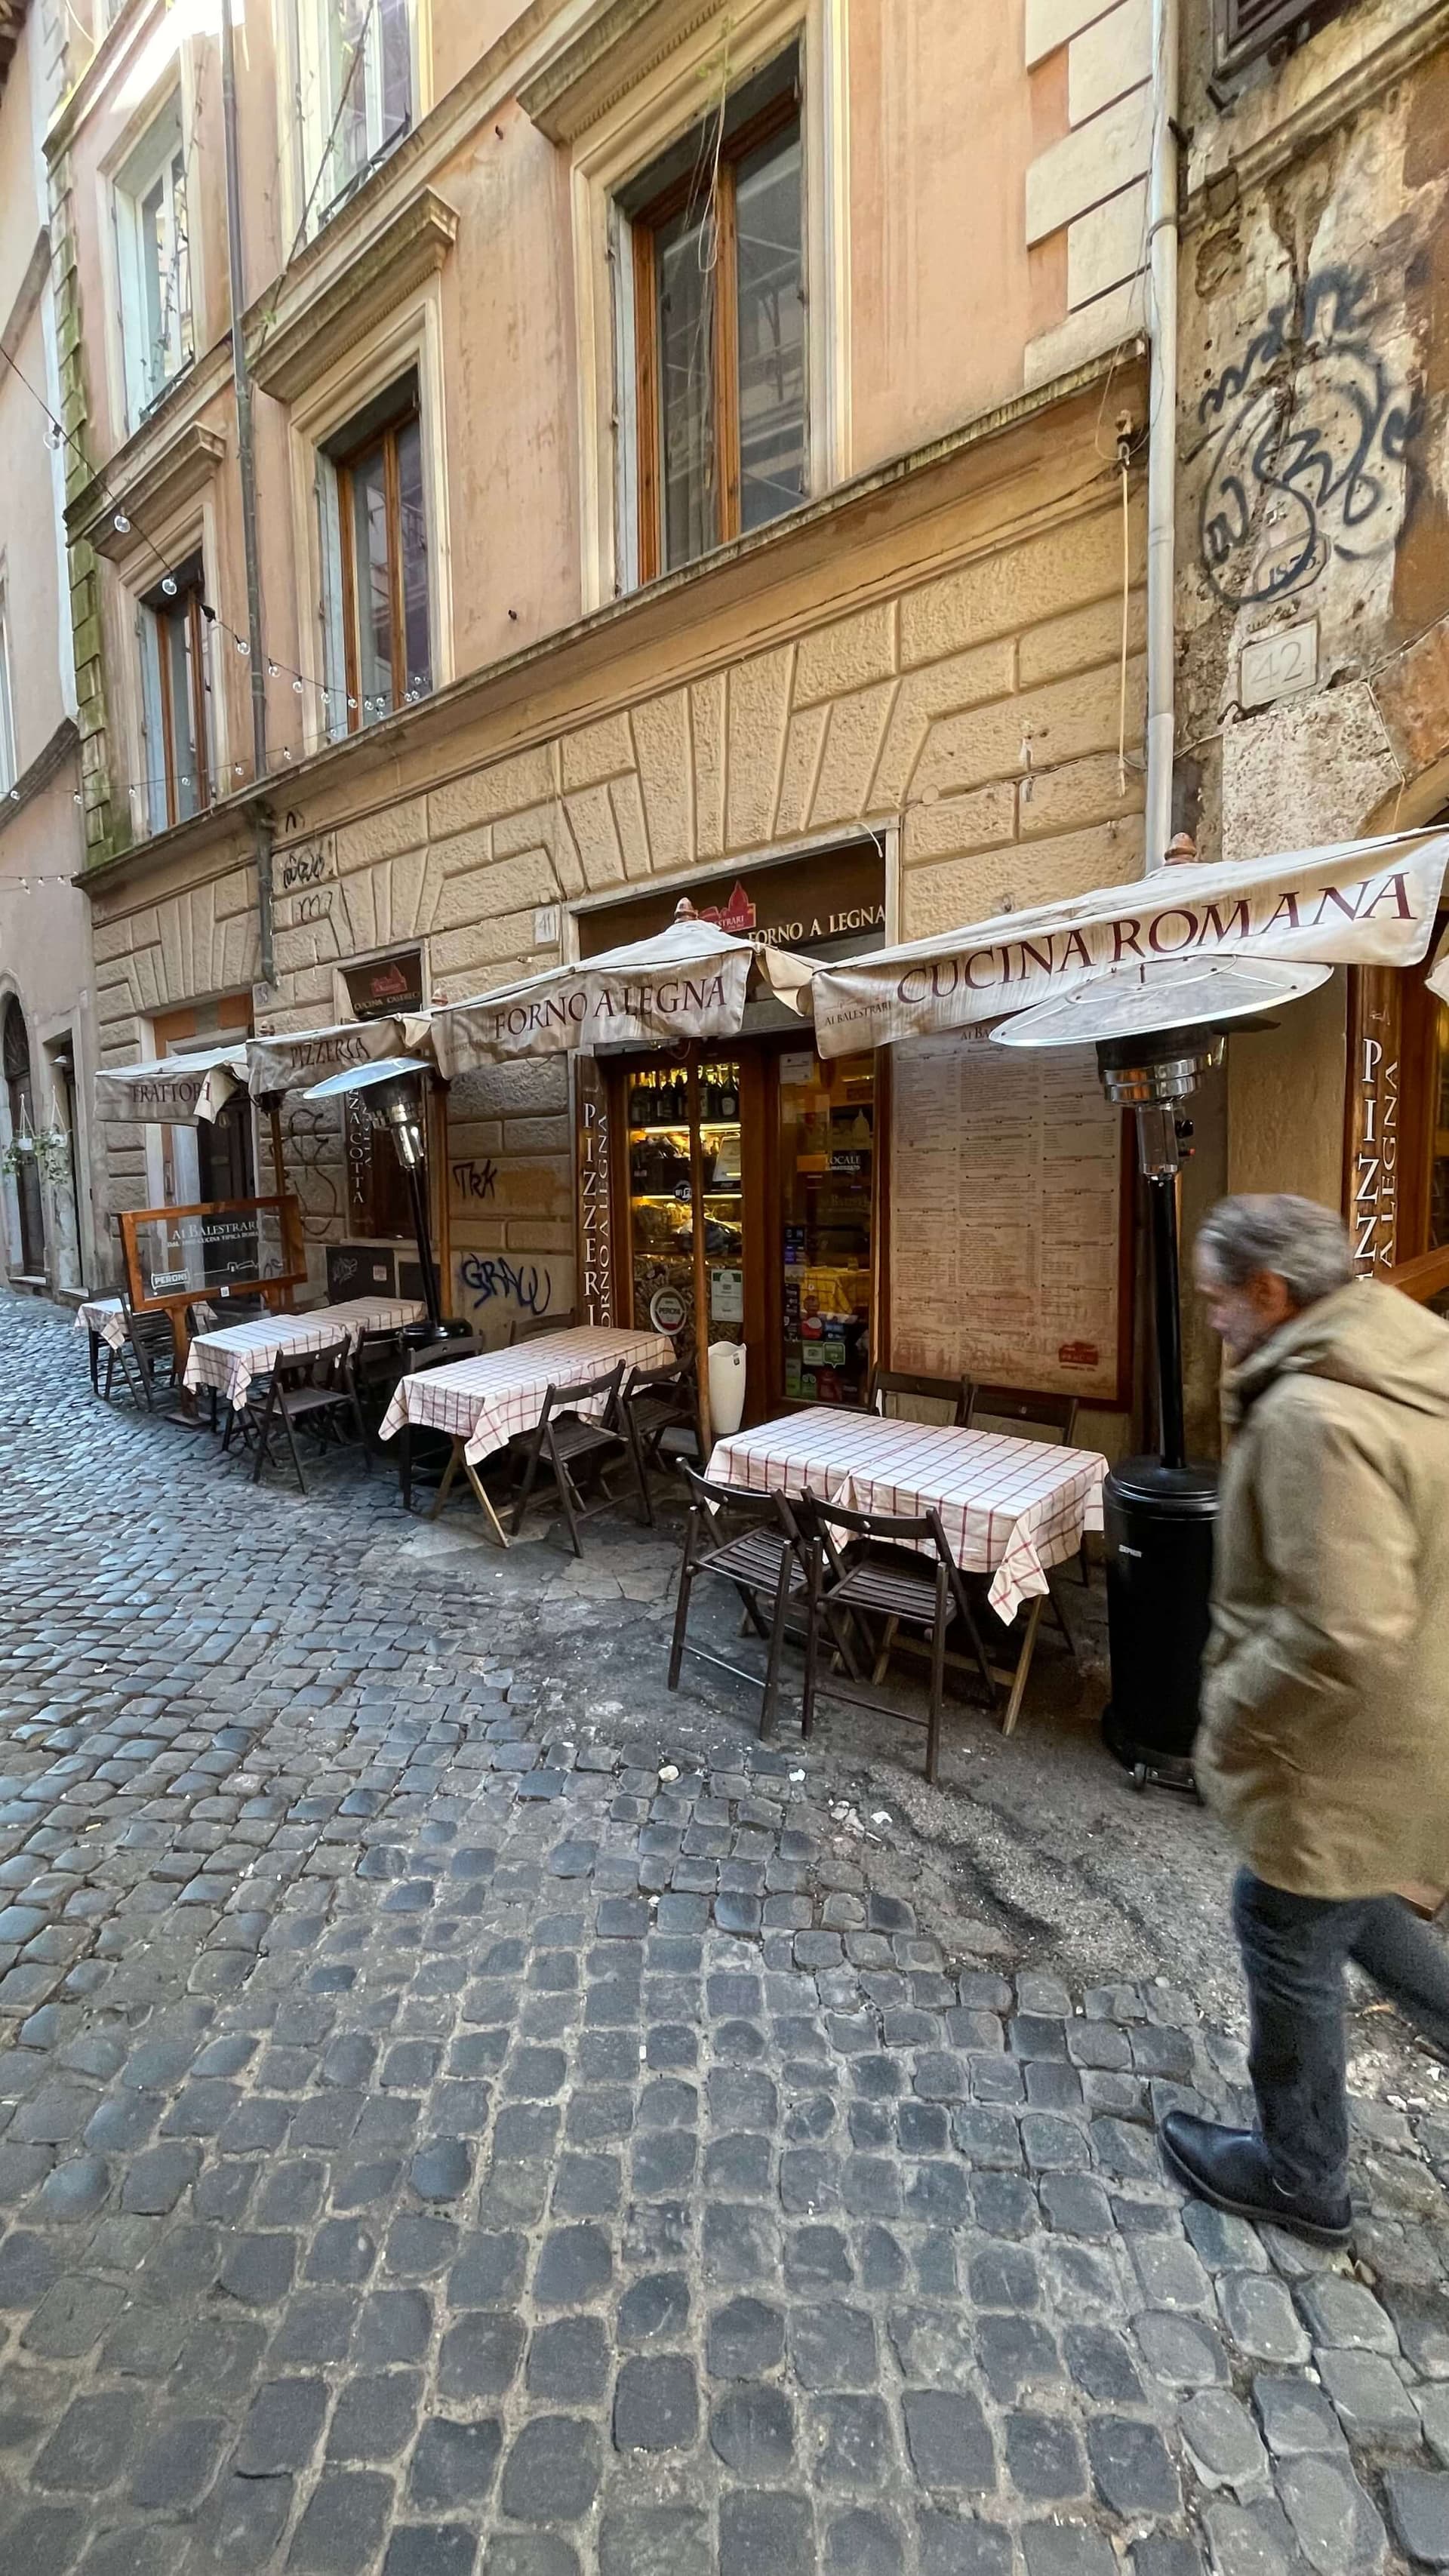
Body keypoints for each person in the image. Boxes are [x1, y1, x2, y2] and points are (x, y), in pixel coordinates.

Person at [1162, 1192, 1449, 2246]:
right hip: (1411, 1719)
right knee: (1347, 1896)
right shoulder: (1408, 1352)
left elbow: (1341, 1627)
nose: (1216, 1325)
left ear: (1271, 1293)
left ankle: (1302, 2173)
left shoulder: (1313, 1414)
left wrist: (1233, 1706)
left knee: (1281, 1920)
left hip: (1338, 1744)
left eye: (1219, 1304)